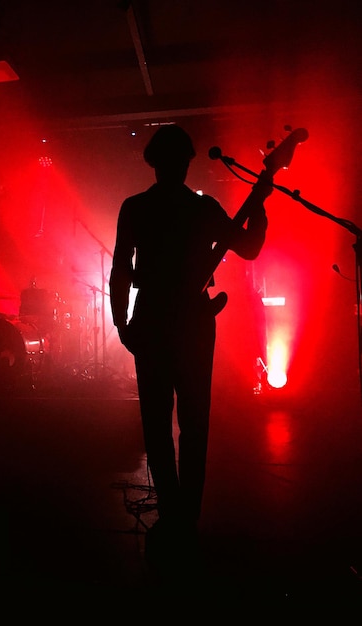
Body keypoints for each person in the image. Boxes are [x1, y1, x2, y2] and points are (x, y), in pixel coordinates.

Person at [109, 125, 272, 563]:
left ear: (154, 161)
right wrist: (261, 203)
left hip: (153, 320)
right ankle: (188, 518)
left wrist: (121, 322)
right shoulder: (203, 208)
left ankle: (173, 513)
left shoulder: (136, 207)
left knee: (157, 425)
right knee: (195, 422)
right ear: (186, 161)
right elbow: (250, 247)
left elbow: (121, 268)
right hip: (196, 323)